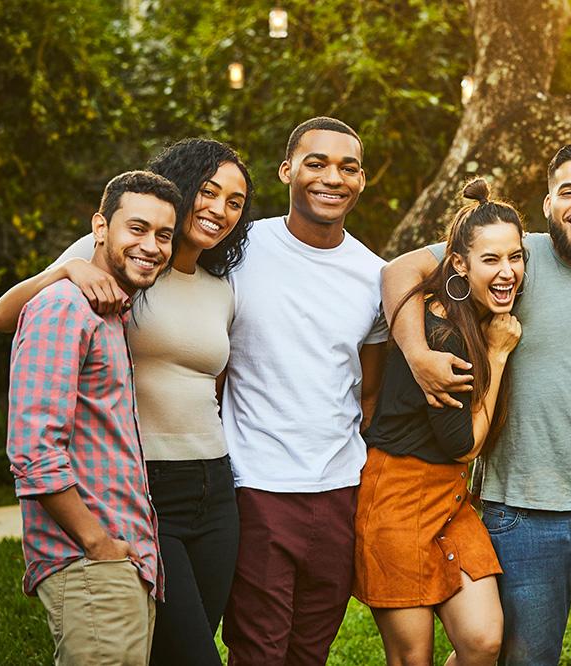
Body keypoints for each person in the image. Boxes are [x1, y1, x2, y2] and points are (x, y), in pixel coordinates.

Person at [382, 143, 571, 665]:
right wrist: (419, 354)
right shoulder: (513, 256)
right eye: (569, 191)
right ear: (547, 204)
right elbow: (399, 271)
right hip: (521, 514)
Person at [0, 138, 254, 666]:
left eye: (235, 201)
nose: (219, 209)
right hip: (147, 486)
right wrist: (65, 271)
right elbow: (7, 316)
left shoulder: (220, 286)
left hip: (214, 484)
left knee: (173, 644)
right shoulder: (111, 261)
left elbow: (213, 381)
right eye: (207, 192)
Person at [220, 117, 389, 665]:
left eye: (348, 167)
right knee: (259, 651)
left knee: (310, 651)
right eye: (316, 163)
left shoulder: (375, 275)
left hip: (339, 492)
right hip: (257, 486)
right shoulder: (240, 248)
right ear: (287, 170)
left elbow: (367, 390)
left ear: (362, 181)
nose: (332, 177)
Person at [5, 170, 179, 665]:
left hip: (121, 560)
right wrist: (96, 542)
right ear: (100, 227)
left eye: (163, 235)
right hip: (87, 563)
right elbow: (33, 449)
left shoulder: (109, 312)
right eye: (137, 228)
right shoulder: (64, 308)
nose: (152, 246)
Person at [354, 178, 524, 665]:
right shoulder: (444, 331)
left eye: (515, 257)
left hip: (450, 499)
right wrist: (497, 352)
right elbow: (464, 445)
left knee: (483, 640)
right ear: (458, 264)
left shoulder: (472, 309)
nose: (507, 271)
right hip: (395, 497)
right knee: (413, 657)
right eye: (491, 260)